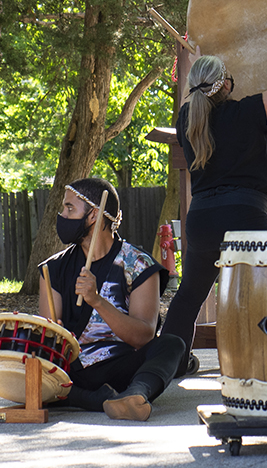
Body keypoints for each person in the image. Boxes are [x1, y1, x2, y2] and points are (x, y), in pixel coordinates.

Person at [158, 24, 267, 374]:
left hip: (202, 221)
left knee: (189, 295)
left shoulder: (187, 120)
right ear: (225, 85)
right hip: (244, 217)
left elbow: (192, 95)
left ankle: (167, 363)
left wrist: (192, 62)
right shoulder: (247, 112)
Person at [39, 178, 184, 420]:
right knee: (30, 367)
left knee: (172, 344)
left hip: (122, 367)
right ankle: (98, 399)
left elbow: (143, 336)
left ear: (94, 215)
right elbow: (49, 342)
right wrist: (54, 336)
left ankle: (136, 394)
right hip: (71, 372)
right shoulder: (52, 269)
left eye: (70, 208)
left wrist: (97, 301)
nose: (62, 215)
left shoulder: (138, 264)